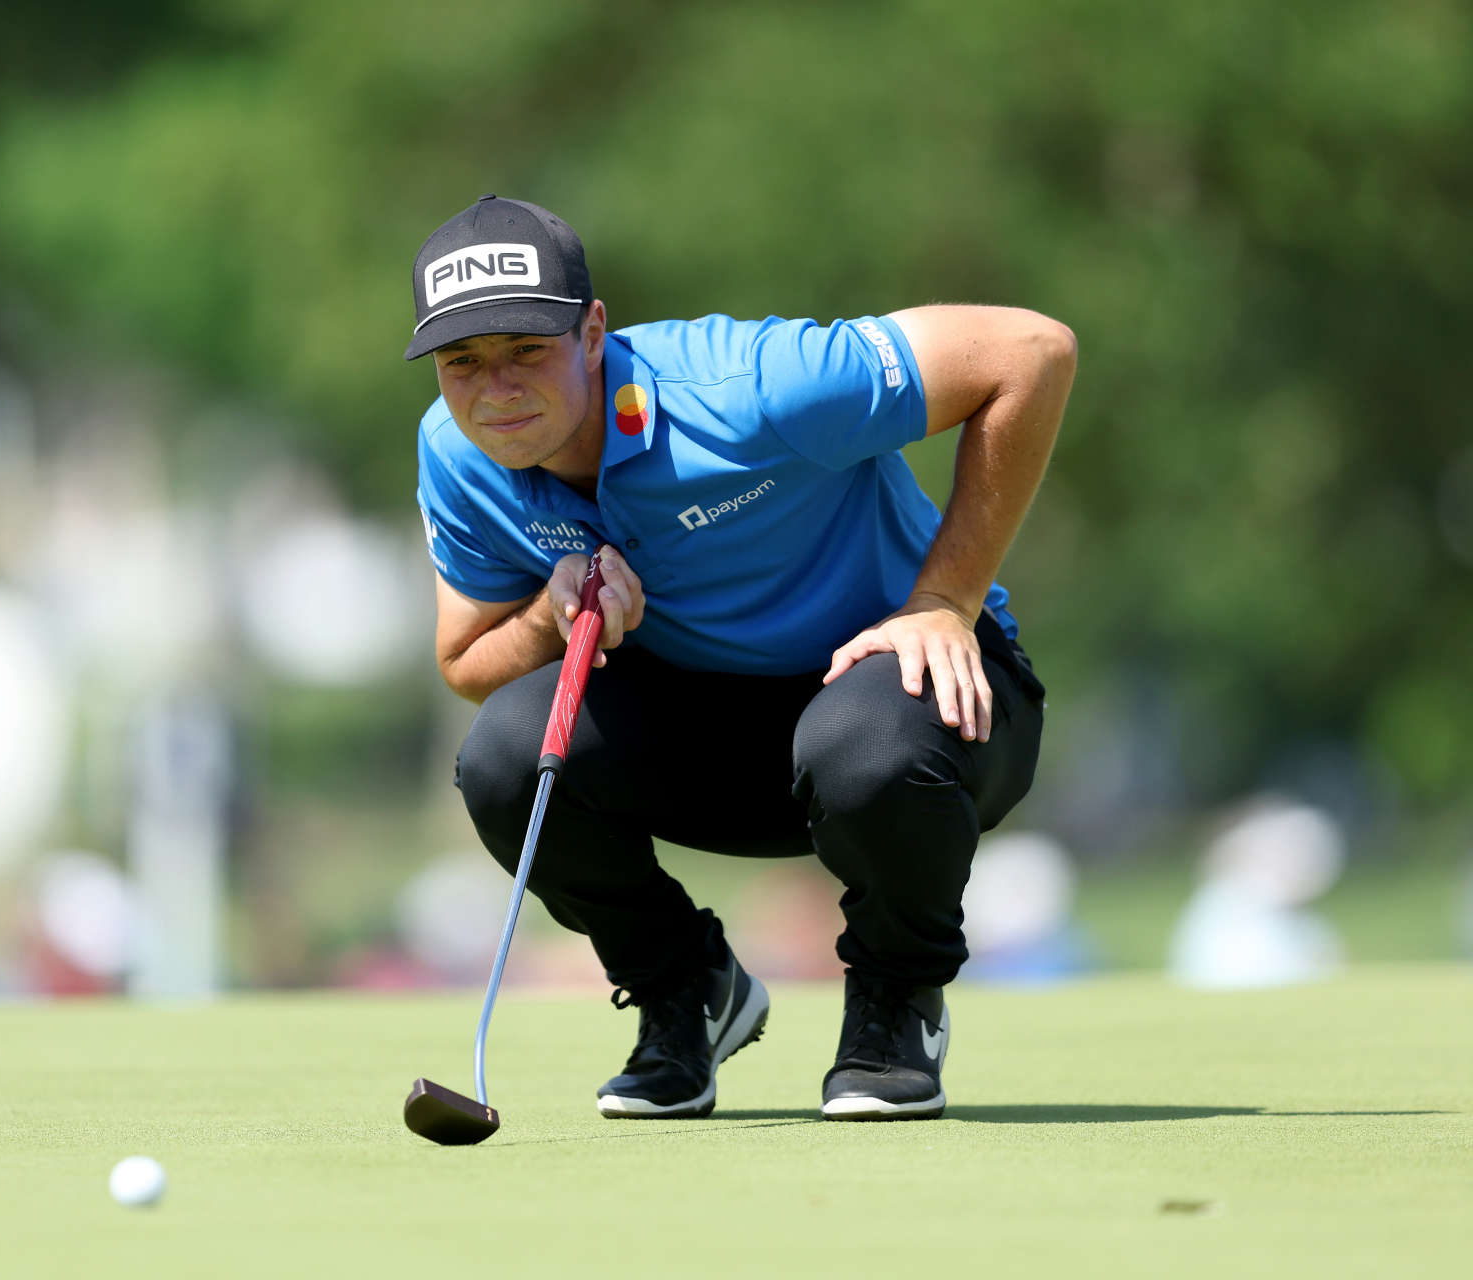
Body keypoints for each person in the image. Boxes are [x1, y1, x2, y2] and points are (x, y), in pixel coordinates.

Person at [407, 194, 1074, 1121]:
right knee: (503, 759)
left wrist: (942, 602)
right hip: (722, 732)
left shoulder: (753, 386)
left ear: (593, 331)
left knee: (865, 744)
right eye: (462, 363)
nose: (496, 390)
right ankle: (688, 990)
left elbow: (1031, 351)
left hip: (928, 708)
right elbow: (468, 660)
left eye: (527, 350)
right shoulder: (458, 456)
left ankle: (895, 1002)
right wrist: (554, 616)